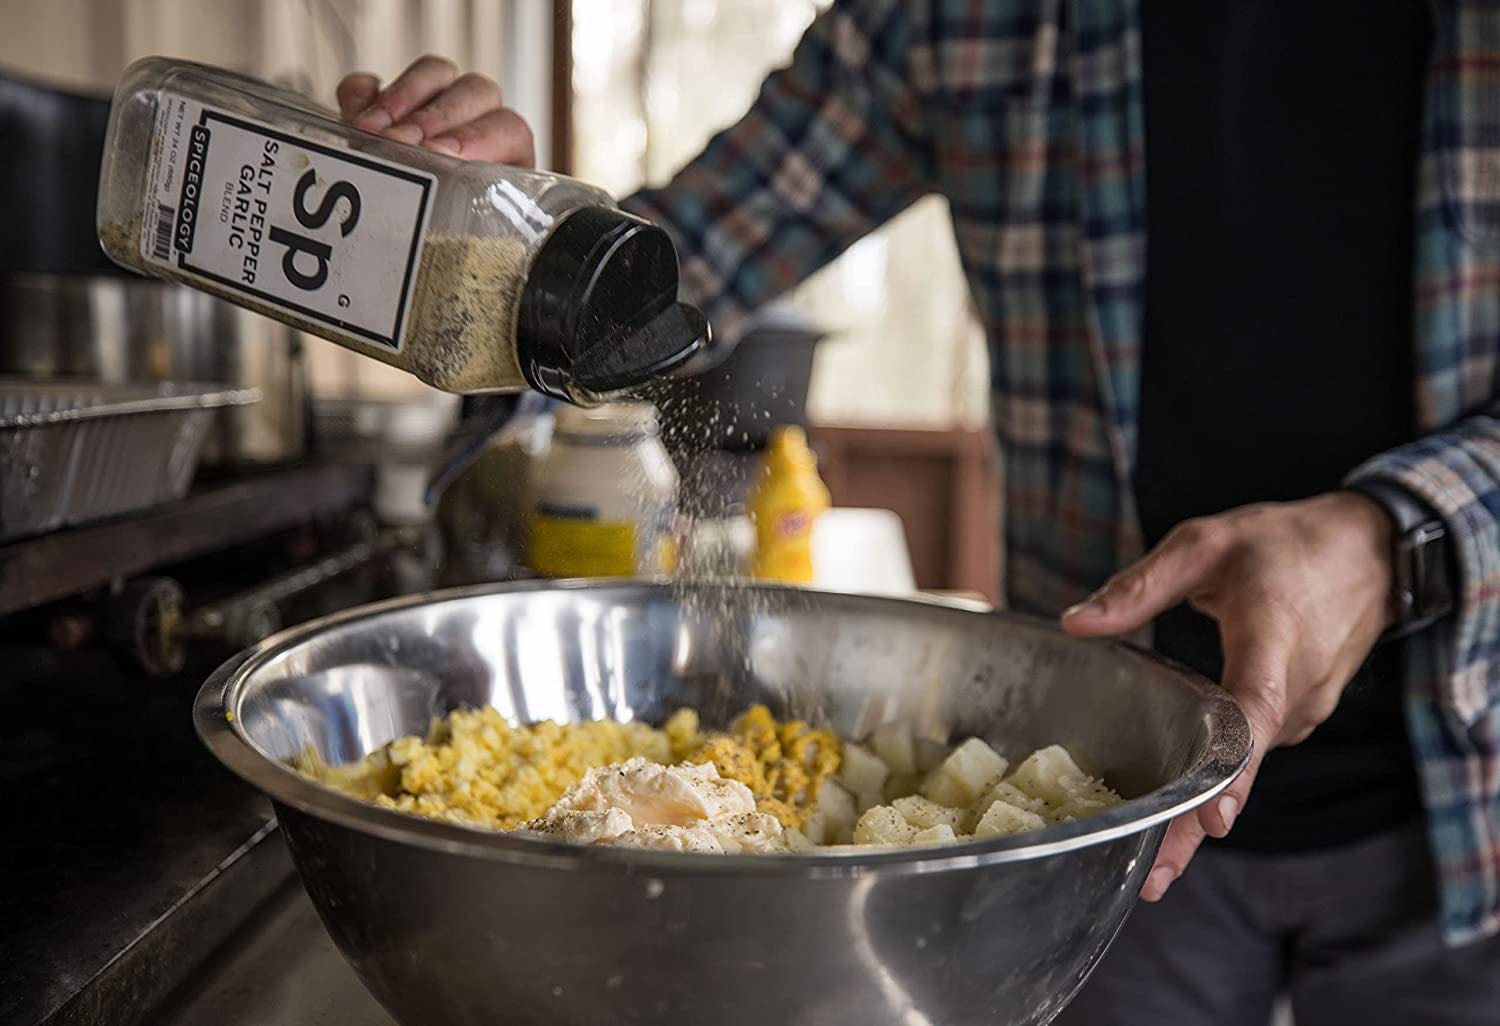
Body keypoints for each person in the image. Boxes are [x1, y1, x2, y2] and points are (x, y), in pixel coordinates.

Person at [338, 2, 1500, 1021]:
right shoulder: (958, 16)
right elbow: (685, 268)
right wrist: (515, 255)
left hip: (1475, 800)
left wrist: (1396, 535)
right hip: (1099, 826)